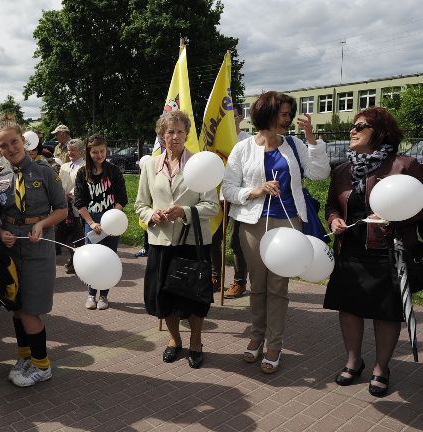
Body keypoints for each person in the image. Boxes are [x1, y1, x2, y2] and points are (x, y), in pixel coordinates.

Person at [222, 91, 330, 373]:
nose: (289, 119)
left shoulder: (294, 144)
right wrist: (256, 191)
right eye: (284, 114)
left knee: (278, 287)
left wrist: (311, 140)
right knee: (257, 286)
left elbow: (319, 173)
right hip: (253, 224)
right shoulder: (242, 148)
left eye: (290, 114)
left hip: (289, 223)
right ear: (267, 114)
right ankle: (256, 337)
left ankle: (275, 344)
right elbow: (228, 189)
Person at [324, 107, 423, 397]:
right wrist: (334, 220)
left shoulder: (404, 166)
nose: (352, 131)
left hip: (388, 251)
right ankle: (354, 361)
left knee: (385, 313)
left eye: (360, 126)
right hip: (349, 250)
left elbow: (420, 207)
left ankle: (382, 367)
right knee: (349, 308)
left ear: (379, 132)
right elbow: (331, 204)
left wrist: (396, 218)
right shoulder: (343, 170)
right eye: (352, 127)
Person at [135, 110, 220, 369]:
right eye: (169, 132)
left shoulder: (199, 163)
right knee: (164, 296)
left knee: (194, 297)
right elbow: (140, 204)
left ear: (186, 134)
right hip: (161, 241)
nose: (174, 136)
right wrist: (152, 214)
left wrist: (185, 212)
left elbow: (212, 206)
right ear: (161, 135)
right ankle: (174, 340)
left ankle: (196, 342)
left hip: (192, 241)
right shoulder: (150, 165)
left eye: (180, 131)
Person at [0, 115, 67, 387]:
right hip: (11, 248)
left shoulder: (44, 171)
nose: (10, 149)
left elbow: (61, 209)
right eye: (4, 146)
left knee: (30, 309)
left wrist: (42, 224)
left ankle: (42, 365)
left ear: (23, 140)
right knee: (15, 305)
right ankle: (24, 356)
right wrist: (1, 232)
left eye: (14, 142)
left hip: (38, 246)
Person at [75, 134, 128, 310]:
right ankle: (91, 294)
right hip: (92, 222)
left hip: (112, 222)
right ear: (89, 153)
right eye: (95, 152)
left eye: (102, 151)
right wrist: (91, 223)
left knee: (108, 258)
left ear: (106, 150)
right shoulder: (83, 173)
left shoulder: (114, 171)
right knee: (93, 260)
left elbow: (122, 197)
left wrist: (112, 218)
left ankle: (104, 296)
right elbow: (79, 201)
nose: (99, 155)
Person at [211, 104, 252, 298]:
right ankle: (215, 277)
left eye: (232, 116)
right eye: (225, 116)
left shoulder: (248, 142)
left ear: (240, 118)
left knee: (236, 241)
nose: (228, 120)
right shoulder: (215, 140)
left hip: (237, 198)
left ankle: (239, 281)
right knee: (213, 237)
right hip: (216, 196)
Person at [56, 138, 86, 274]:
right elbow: (59, 183)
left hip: (78, 206)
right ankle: (73, 256)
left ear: (80, 151)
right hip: (64, 205)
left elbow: (84, 185)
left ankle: (78, 260)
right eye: (69, 150)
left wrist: (72, 194)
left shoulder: (84, 166)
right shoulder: (64, 166)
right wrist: (61, 195)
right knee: (63, 234)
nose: (70, 153)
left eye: (73, 150)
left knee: (77, 235)